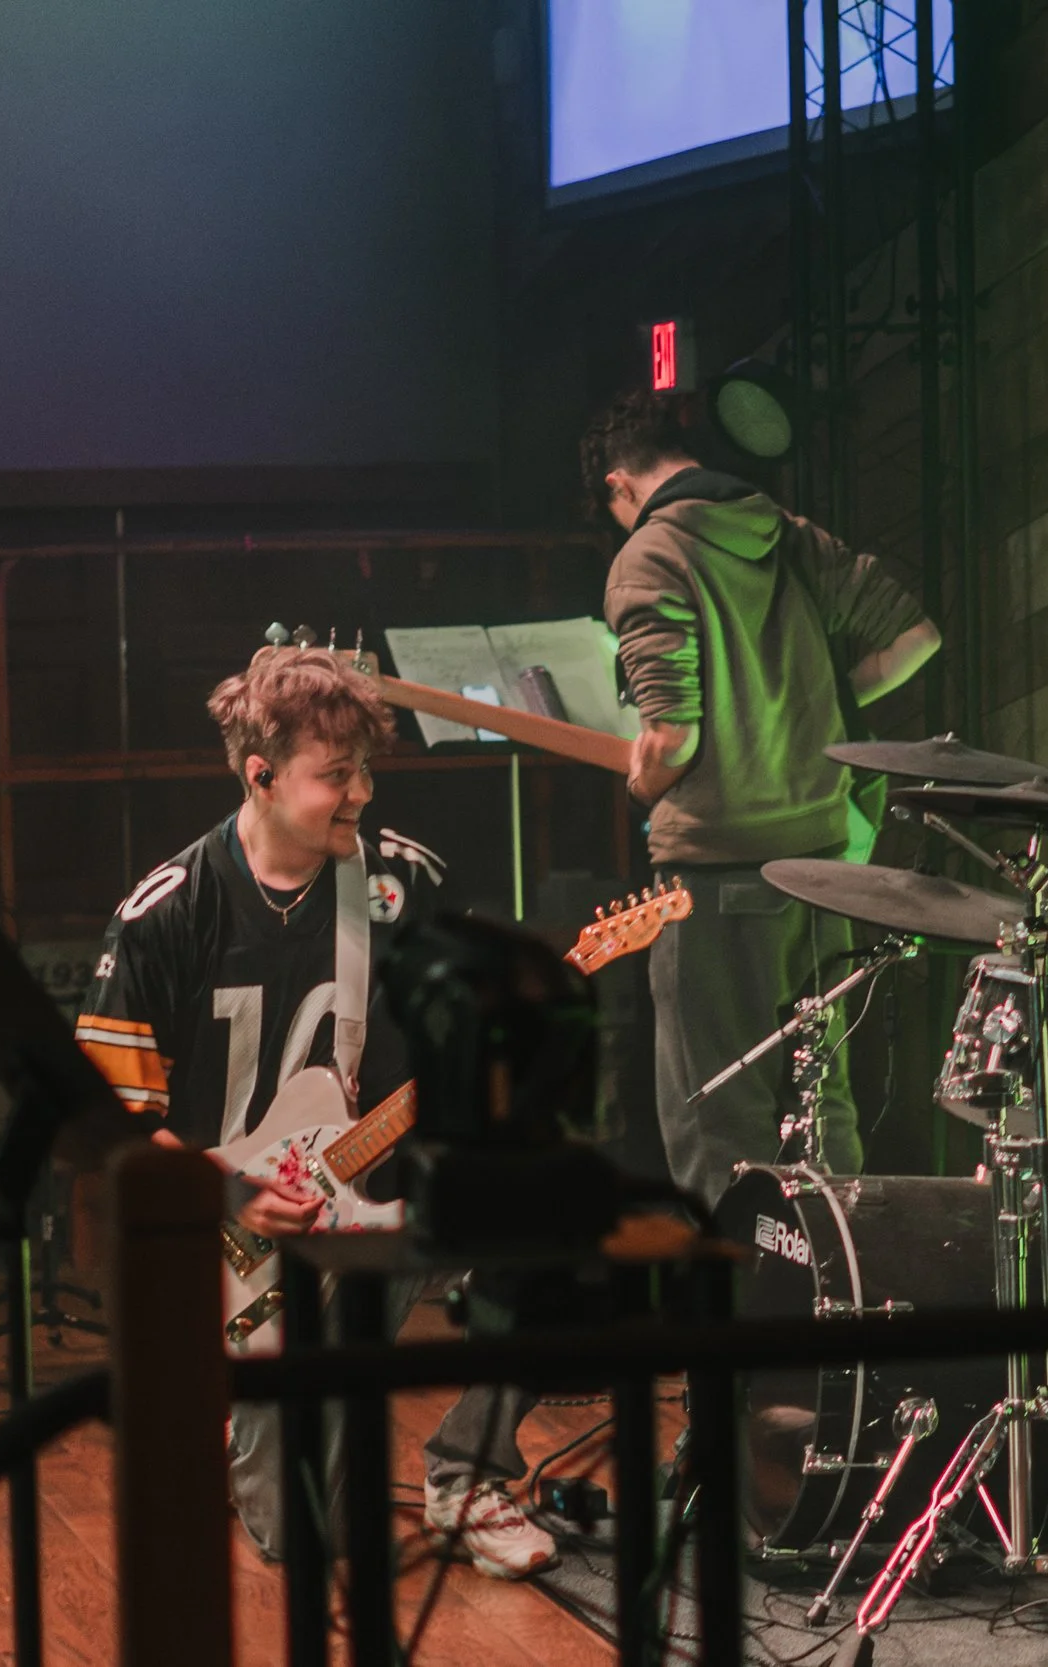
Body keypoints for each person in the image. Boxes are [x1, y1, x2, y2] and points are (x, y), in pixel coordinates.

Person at [76, 646, 559, 1579]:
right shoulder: (167, 914)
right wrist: (230, 1192)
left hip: (364, 1208)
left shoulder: (404, 884)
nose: (362, 794)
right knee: (307, 1543)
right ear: (259, 775)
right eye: (335, 775)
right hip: (227, 1253)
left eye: (367, 770)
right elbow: (108, 1127)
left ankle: (468, 1472)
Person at [590, 390, 942, 1207]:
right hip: (823, 864)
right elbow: (916, 636)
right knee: (821, 1105)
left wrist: (642, 778)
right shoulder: (783, 531)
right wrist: (825, 716)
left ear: (619, 484)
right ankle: (835, 1308)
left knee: (719, 1121)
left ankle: (739, 1320)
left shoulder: (648, 556)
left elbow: (670, 738)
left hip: (716, 876)